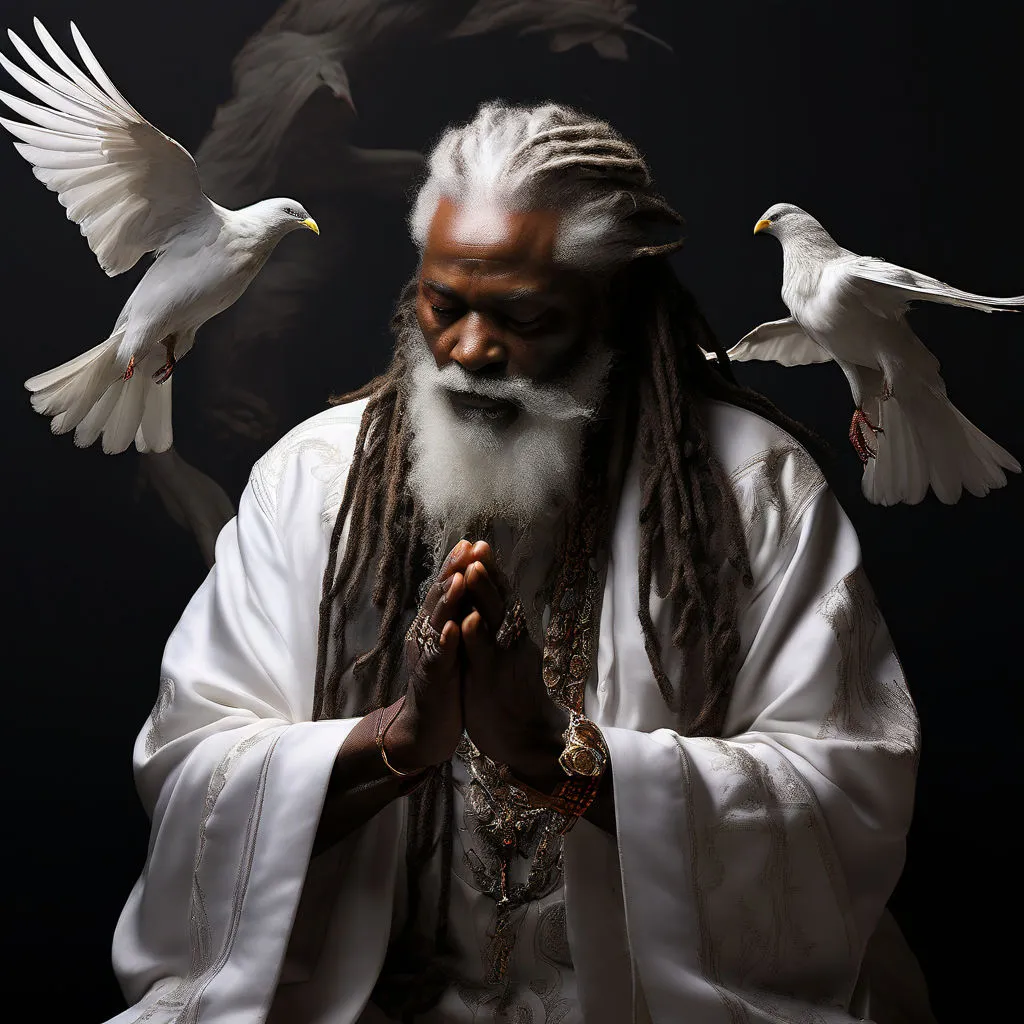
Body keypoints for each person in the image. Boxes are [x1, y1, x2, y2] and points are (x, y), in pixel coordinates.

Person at [108, 102, 933, 1024]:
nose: (469, 352)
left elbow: (843, 798)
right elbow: (187, 769)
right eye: (444, 305)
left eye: (523, 316)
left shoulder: (749, 489)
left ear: (610, 309)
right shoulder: (315, 481)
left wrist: (561, 756)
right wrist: (394, 738)